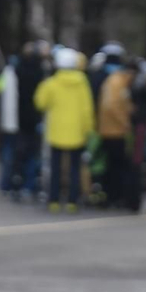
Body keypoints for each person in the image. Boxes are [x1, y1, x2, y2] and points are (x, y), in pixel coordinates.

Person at [36, 46, 94, 213]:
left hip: (56, 132)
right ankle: (72, 201)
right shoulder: (82, 82)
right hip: (77, 132)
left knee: (55, 167)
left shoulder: (52, 83)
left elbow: (40, 102)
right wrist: (88, 129)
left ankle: (53, 200)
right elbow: (86, 108)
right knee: (75, 168)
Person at [98, 57, 139, 210]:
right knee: (115, 166)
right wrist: (126, 122)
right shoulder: (117, 83)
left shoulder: (117, 82)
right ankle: (112, 196)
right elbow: (112, 106)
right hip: (113, 132)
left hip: (111, 130)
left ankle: (112, 195)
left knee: (113, 165)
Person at [13, 41, 47, 201]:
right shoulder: (40, 72)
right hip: (34, 119)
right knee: (33, 155)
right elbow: (41, 101)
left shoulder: (17, 70)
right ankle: (29, 184)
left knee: (19, 154)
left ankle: (17, 184)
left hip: (20, 118)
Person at [0, 56, 20, 198]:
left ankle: (5, 183)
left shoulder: (6, 73)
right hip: (17, 122)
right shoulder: (19, 73)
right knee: (12, 154)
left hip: (6, 121)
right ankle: (11, 183)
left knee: (7, 153)